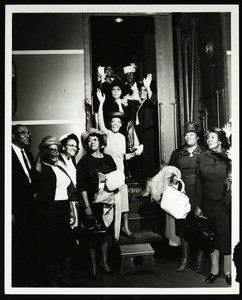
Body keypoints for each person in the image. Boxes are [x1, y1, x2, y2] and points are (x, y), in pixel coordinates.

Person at [97, 88, 143, 238]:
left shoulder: (123, 137)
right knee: (108, 203)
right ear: (110, 123)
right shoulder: (106, 134)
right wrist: (101, 103)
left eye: (118, 122)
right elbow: (100, 122)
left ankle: (125, 227)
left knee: (124, 203)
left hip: (120, 174)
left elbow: (124, 156)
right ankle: (110, 231)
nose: (116, 124)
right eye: (113, 122)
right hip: (108, 175)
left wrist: (135, 153)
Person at [32, 135, 77, 286]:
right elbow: (35, 180)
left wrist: (70, 209)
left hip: (63, 209)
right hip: (48, 211)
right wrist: (40, 158)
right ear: (44, 152)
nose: (54, 153)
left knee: (68, 244)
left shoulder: (59, 166)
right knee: (50, 247)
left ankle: (65, 276)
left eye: (56, 150)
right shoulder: (41, 167)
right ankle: (52, 282)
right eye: (50, 150)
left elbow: (67, 190)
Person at [76, 128, 117, 279]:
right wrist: (86, 207)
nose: (92, 142)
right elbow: (81, 187)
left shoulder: (108, 159)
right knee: (92, 235)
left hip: (107, 202)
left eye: (95, 139)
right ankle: (93, 265)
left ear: (101, 142)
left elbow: (115, 178)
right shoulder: (84, 162)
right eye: (89, 140)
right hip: (92, 203)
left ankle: (104, 262)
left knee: (105, 233)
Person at [194, 127, 231, 285]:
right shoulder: (202, 157)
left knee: (226, 237)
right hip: (208, 203)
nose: (208, 140)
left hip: (225, 204)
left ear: (220, 141)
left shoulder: (230, 157)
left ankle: (228, 271)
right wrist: (197, 205)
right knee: (211, 238)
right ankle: (214, 270)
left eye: (212, 137)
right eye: (208, 137)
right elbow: (198, 183)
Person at [169, 122, 206, 272]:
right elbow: (169, 171)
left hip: (200, 192)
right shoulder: (177, 153)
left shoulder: (205, 152)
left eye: (191, 135)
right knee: (183, 226)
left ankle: (200, 258)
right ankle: (185, 258)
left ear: (197, 137)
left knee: (200, 225)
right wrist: (172, 180)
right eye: (186, 135)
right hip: (181, 194)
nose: (188, 137)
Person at [12, 124, 35, 286]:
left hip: (30, 206)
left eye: (28, 133)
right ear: (13, 136)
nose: (27, 135)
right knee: (18, 243)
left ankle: (30, 275)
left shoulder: (27, 153)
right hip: (17, 207)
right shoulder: (8, 154)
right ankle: (19, 281)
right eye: (23, 133)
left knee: (29, 241)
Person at [135, 74, 159, 194]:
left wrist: (148, 87)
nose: (142, 92)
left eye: (145, 90)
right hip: (143, 134)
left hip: (149, 133)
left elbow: (152, 101)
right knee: (145, 160)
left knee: (148, 159)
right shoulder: (141, 104)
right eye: (141, 90)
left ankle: (148, 188)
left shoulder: (149, 103)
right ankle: (148, 187)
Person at [59, 133, 80, 229]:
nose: (74, 148)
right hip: (65, 202)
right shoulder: (58, 162)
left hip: (74, 200)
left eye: (76, 146)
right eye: (71, 145)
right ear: (63, 147)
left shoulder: (71, 160)